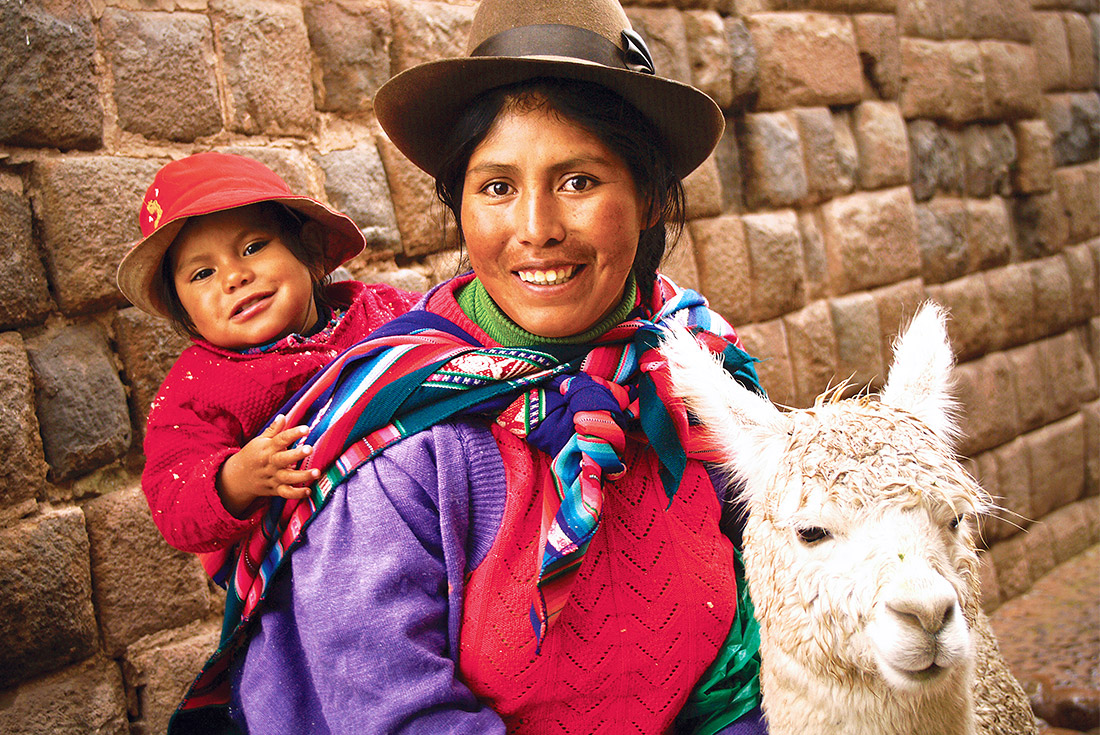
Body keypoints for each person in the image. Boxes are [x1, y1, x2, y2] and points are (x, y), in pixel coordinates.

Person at [170, 1, 767, 733]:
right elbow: (391, 708)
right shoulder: (402, 435)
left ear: (646, 198)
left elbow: (772, 607)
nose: (536, 229)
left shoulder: (701, 369)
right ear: (460, 205)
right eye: (497, 187)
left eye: (578, 181)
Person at [116, 152, 419, 560]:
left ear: (310, 251)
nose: (233, 277)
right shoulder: (197, 389)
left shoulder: (384, 310)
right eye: (202, 274)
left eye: (253, 247)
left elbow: (455, 330)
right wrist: (237, 479)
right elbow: (171, 501)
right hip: (328, 563)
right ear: (184, 311)